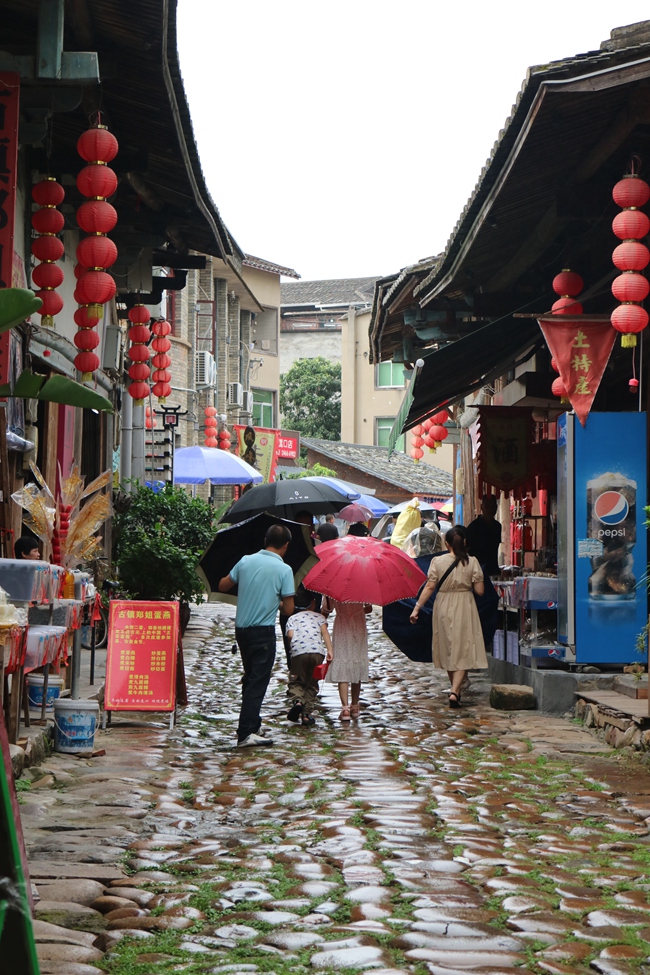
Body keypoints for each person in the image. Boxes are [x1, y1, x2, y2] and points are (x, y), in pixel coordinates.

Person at [218, 524, 295, 747]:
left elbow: (223, 585)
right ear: (286, 546)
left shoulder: (245, 561)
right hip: (263, 632)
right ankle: (245, 732)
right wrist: (276, 601)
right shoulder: (284, 570)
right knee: (257, 682)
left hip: (241, 631)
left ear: (265, 541)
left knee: (251, 677)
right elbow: (289, 609)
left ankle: (253, 723)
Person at [409, 524, 487, 708]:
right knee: (464, 647)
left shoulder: (437, 561)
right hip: (465, 605)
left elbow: (430, 587)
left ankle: (455, 690)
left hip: (443, 604)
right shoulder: (472, 562)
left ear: (447, 544)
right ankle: (455, 691)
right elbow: (480, 591)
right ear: (465, 543)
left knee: (448, 647)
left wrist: (417, 608)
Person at [285, 590, 333, 726]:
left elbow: (290, 635)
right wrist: (330, 650)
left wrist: (292, 647)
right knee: (312, 683)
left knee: (297, 680)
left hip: (299, 653)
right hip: (317, 652)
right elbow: (325, 633)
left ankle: (298, 702)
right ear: (313, 603)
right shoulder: (319, 617)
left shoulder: (292, 619)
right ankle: (306, 715)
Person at [323, 596, 371, 721]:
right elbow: (369, 609)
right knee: (356, 661)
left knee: (343, 661)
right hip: (359, 624)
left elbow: (326, 610)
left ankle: (345, 709)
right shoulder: (363, 588)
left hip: (342, 625)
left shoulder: (333, 590)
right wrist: (357, 611)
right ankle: (355, 706)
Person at [466, 494, 502, 576]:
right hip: (477, 570)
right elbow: (467, 550)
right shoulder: (474, 527)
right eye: (487, 506)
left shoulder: (497, 526)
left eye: (492, 506)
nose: (490, 509)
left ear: (496, 508)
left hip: (493, 570)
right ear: (482, 507)